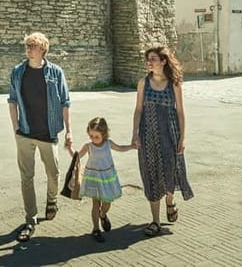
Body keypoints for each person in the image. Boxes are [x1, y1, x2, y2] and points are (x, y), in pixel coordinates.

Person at [8, 32, 72, 242]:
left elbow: (65, 102)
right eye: (27, 45)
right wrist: (16, 127)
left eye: (33, 46)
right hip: (25, 133)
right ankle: (30, 219)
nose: (29, 49)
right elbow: (12, 100)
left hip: (48, 132)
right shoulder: (18, 72)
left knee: (53, 173)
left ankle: (51, 200)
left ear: (43, 49)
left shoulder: (55, 72)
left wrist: (69, 130)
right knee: (26, 177)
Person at [132, 46, 194, 236]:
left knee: (169, 170)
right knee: (150, 174)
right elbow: (138, 109)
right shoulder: (143, 82)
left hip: (170, 134)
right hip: (147, 135)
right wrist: (135, 133)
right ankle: (155, 221)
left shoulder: (174, 83)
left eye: (153, 59)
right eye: (148, 59)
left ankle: (169, 200)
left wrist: (182, 138)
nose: (149, 62)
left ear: (163, 61)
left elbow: (180, 112)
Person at [70, 117, 134, 242]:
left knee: (107, 203)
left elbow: (120, 148)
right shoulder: (88, 146)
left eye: (96, 136)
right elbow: (77, 157)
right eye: (91, 136)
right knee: (95, 204)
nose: (93, 139)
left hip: (107, 179)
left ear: (104, 134)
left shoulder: (108, 144)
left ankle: (103, 214)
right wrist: (69, 148)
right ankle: (95, 229)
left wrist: (132, 146)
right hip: (94, 178)